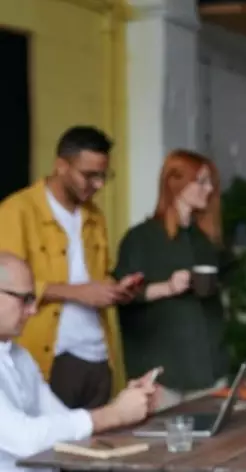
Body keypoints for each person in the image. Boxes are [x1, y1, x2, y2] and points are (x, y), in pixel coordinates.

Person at [0, 126, 142, 409]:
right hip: (51, 358)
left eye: (104, 175)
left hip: (100, 357)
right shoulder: (17, 211)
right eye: (90, 175)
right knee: (53, 449)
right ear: (61, 166)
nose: (99, 184)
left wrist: (114, 290)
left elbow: (93, 279)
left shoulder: (95, 216)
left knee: (102, 448)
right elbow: (6, 288)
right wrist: (79, 293)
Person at [0, 252, 159, 472]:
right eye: (25, 299)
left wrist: (125, 406)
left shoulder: (20, 356)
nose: (34, 309)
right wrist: (113, 414)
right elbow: (25, 439)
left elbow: (63, 420)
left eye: (33, 298)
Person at [113, 150, 230, 410]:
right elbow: (122, 295)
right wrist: (168, 287)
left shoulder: (206, 240)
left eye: (210, 182)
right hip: (164, 377)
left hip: (211, 371)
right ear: (175, 183)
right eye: (201, 181)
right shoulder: (140, 238)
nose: (209, 189)